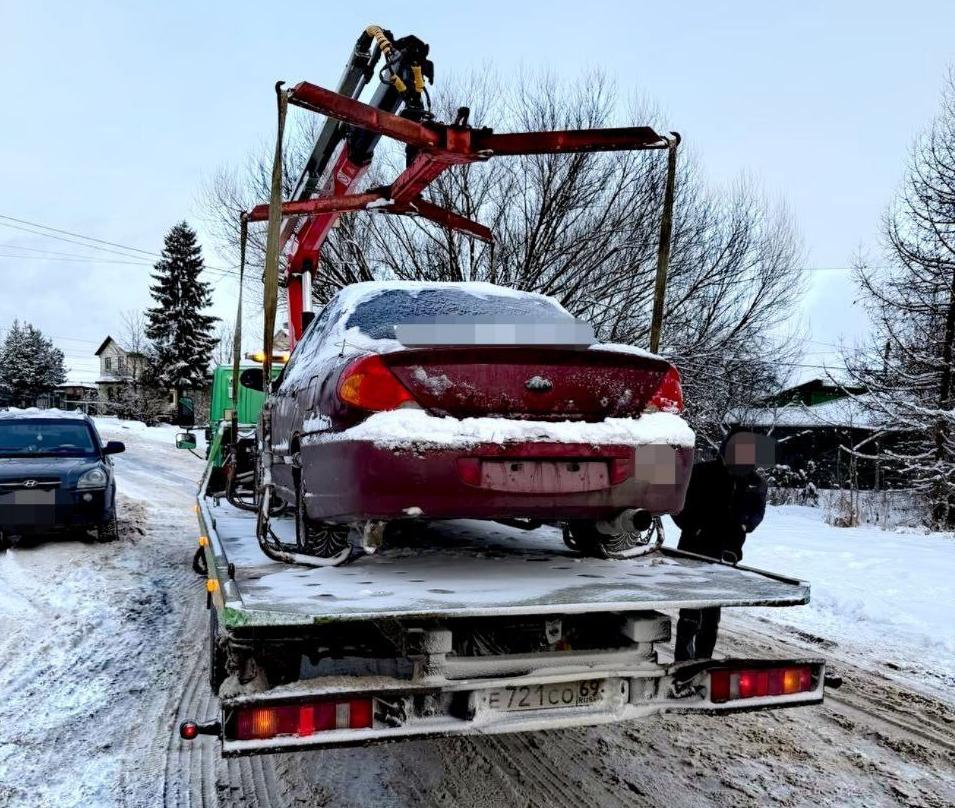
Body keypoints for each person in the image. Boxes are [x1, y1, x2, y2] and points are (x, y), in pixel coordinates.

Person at [671, 432, 769, 662]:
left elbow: (757, 513)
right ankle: (683, 665)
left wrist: (744, 526)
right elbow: (678, 505)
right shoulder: (700, 473)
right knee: (690, 613)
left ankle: (703, 664)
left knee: (712, 615)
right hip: (693, 550)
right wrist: (693, 527)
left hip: (726, 554)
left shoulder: (754, 482)